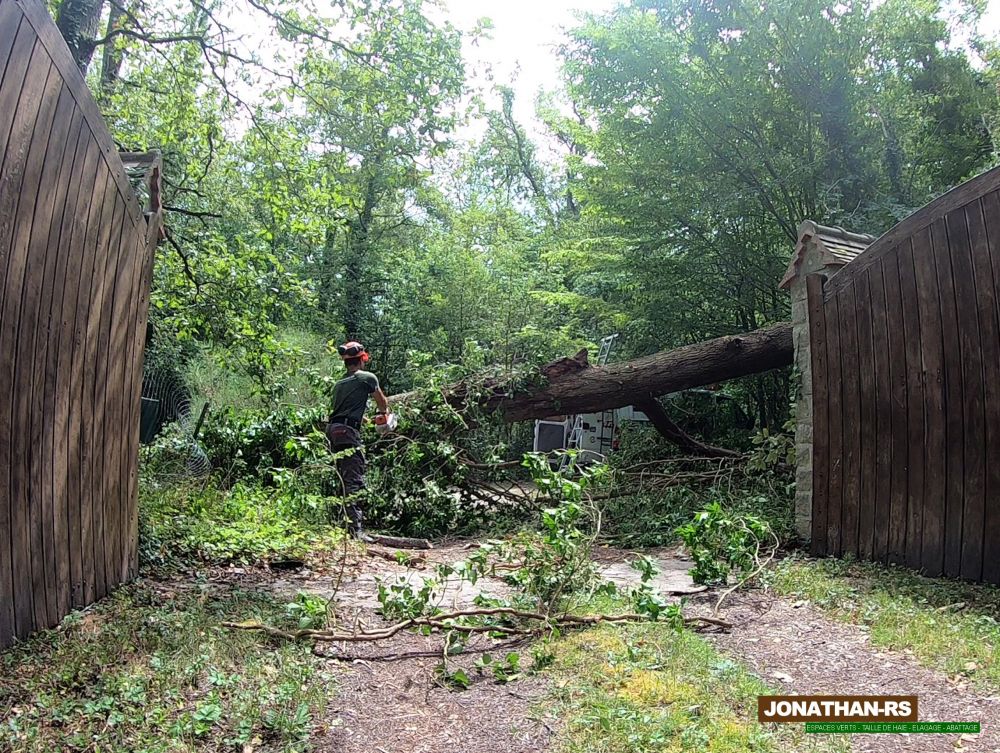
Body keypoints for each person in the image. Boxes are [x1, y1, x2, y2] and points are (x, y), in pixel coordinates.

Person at [325, 341, 389, 541]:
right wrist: (384, 415)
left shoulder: (339, 384)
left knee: (343, 475)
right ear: (362, 359)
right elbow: (382, 402)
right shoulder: (367, 377)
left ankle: (340, 522)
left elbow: (341, 412)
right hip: (348, 431)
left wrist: (366, 420)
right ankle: (355, 530)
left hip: (333, 430)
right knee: (354, 478)